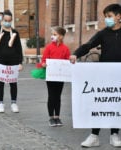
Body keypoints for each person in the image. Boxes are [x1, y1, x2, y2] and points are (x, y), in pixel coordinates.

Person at [70, 3, 121, 148]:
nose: (107, 19)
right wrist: (75, 54)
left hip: (119, 75)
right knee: (100, 103)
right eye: (105, 17)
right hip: (104, 74)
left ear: (119, 17)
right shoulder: (103, 33)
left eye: (109, 16)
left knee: (115, 104)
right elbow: (88, 45)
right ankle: (94, 135)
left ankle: (114, 135)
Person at [0, 10, 23, 113]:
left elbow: (19, 48)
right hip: (0, 61)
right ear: (2, 20)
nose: (7, 22)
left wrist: (20, 62)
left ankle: (14, 103)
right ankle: (0, 103)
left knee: (13, 83)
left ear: (11, 20)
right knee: (0, 83)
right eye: (5, 20)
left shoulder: (15, 33)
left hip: (13, 61)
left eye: (9, 20)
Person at [41, 27, 71, 127]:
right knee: (51, 96)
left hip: (60, 76)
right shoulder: (49, 47)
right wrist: (44, 63)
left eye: (55, 34)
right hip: (50, 76)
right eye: (52, 34)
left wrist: (69, 63)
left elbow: (67, 60)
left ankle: (57, 117)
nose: (52, 36)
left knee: (58, 96)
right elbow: (44, 59)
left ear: (61, 36)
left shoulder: (65, 48)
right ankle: (51, 117)